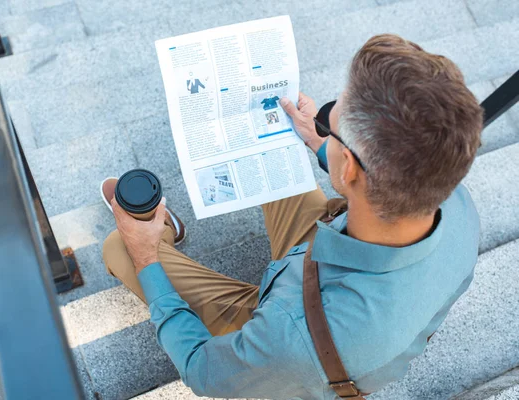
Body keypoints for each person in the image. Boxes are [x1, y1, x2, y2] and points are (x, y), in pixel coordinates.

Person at [100, 34, 483, 399]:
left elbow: (201, 370)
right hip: (339, 262)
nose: (324, 119)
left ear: (349, 167)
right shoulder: (457, 203)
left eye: (332, 118)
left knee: (120, 248)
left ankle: (150, 234)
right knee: (270, 150)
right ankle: (154, 230)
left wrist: (145, 257)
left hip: (308, 335)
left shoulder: (291, 339)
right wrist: (321, 144)